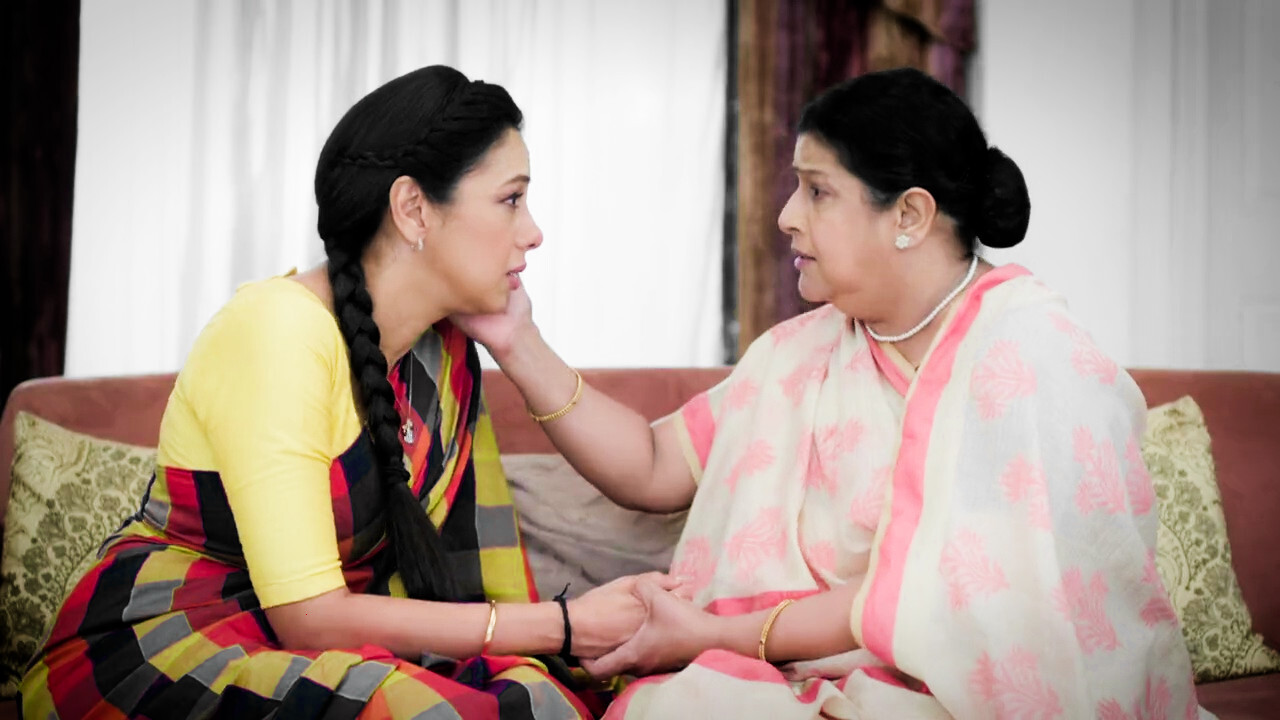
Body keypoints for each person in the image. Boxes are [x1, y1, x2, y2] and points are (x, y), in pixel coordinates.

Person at [456, 68, 1209, 718]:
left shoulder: (1028, 357)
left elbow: (949, 599)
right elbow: (653, 466)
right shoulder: (802, 351)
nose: (787, 216)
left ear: (909, 215)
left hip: (956, 691)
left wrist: (705, 636)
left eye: (817, 191)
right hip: (798, 675)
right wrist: (517, 341)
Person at [20, 65, 671, 719]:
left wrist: (516, 340)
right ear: (413, 209)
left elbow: (476, 579)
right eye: (511, 200)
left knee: (536, 697)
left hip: (341, 645)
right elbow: (308, 617)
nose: (532, 232)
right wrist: (561, 624)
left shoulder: (443, 353)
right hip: (174, 639)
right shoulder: (278, 331)